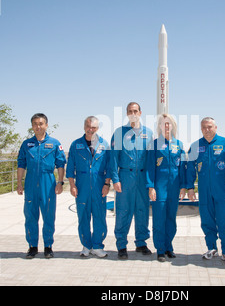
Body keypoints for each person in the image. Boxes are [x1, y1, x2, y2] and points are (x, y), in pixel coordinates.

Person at [187, 117, 225, 265]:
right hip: (204, 191)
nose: (207, 130)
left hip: (222, 191)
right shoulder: (195, 146)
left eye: (210, 127)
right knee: (207, 220)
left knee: (223, 220)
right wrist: (190, 188)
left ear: (216, 127)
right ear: (201, 129)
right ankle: (211, 248)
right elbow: (190, 168)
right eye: (204, 127)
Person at [17, 113, 66, 259]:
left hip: (48, 182)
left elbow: (60, 164)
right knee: (30, 215)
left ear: (46, 125)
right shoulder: (27, 144)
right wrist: (19, 183)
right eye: (35, 124)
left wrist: (60, 182)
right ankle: (32, 246)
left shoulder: (55, 143)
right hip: (31, 182)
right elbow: (21, 164)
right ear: (32, 126)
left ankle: (48, 246)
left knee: (49, 215)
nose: (38, 126)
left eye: (41, 123)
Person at [110, 102, 154, 259]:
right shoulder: (119, 133)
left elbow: (151, 160)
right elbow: (113, 159)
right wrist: (115, 179)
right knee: (123, 211)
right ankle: (121, 245)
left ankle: (141, 242)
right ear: (127, 114)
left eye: (135, 111)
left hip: (142, 178)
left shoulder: (148, 133)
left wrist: (151, 183)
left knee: (142, 210)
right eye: (130, 111)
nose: (133, 113)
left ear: (140, 113)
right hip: (125, 177)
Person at [66, 116, 111, 258]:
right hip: (82, 186)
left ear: (98, 128)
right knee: (83, 217)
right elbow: (70, 167)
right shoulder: (76, 145)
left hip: (99, 186)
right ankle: (86, 245)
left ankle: (97, 246)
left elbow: (109, 167)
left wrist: (106, 184)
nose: (90, 130)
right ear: (84, 126)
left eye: (94, 127)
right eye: (88, 126)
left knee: (99, 216)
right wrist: (72, 185)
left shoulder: (104, 144)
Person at [146, 114, 186, 262]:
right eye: (163, 123)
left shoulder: (179, 144)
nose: (166, 126)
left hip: (174, 187)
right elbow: (150, 167)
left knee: (171, 218)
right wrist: (151, 187)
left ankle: (169, 246)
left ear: (173, 125)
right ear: (160, 126)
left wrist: (183, 186)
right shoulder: (154, 144)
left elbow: (182, 167)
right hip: (159, 186)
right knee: (159, 218)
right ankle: (160, 250)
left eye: (169, 123)